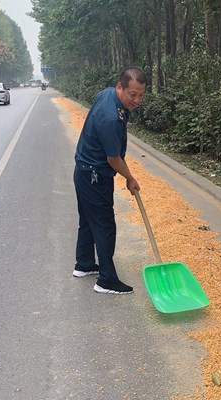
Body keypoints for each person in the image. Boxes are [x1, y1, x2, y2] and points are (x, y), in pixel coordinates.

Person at [73, 67, 147, 294]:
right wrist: (130, 178)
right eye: (132, 94)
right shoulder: (111, 119)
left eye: (141, 95)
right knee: (105, 226)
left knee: (88, 220)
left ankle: (84, 264)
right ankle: (106, 280)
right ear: (119, 87)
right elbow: (113, 158)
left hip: (83, 171)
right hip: (95, 176)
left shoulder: (107, 94)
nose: (136, 100)